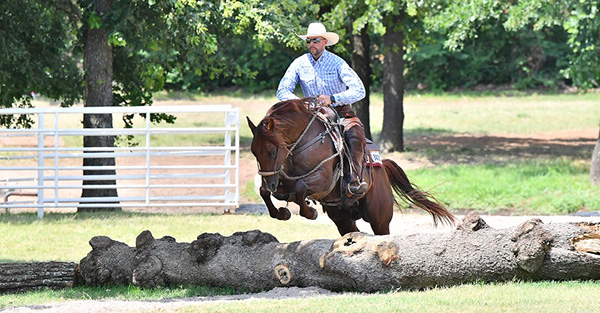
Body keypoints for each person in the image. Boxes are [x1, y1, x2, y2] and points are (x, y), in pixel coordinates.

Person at [277, 22, 368, 201]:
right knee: (280, 136)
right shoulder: (299, 63)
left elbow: (359, 90)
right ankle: (281, 178)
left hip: (340, 112)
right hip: (309, 114)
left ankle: (354, 180)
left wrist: (333, 98)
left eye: (316, 40)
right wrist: (301, 103)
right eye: (309, 40)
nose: (312, 44)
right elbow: (282, 90)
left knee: (355, 135)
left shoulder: (337, 63)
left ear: (325, 42)